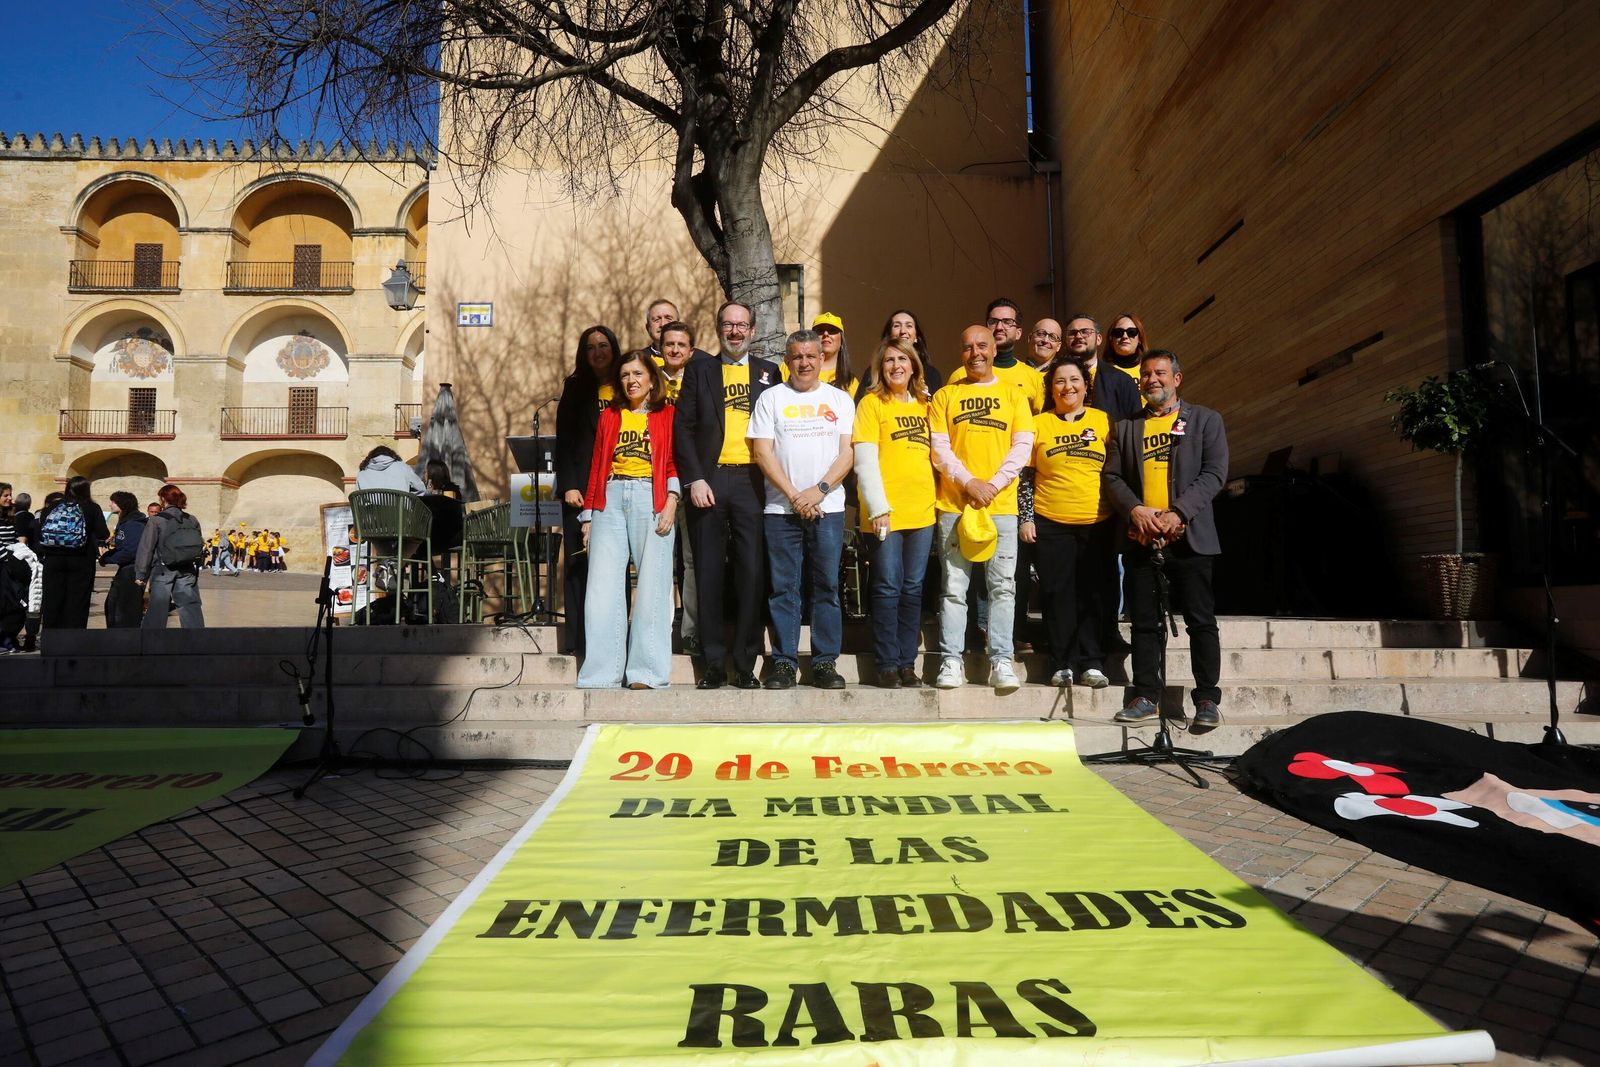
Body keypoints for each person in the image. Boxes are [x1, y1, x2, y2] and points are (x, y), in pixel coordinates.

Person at [1104, 349, 1229, 731]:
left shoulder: (1205, 420)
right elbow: (1112, 478)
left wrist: (1178, 513)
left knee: (1200, 622)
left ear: (1177, 378)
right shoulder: (1126, 428)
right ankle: (1146, 695)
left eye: (1160, 373)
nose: (1151, 379)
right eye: (1146, 374)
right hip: (1143, 538)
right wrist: (1137, 511)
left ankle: (1207, 699)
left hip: (1189, 539)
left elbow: (1214, 473)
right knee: (1144, 623)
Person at [673, 300, 781, 690]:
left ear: (752, 330)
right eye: (727, 325)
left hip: (754, 483)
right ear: (719, 329)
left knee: (752, 574)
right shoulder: (699, 370)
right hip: (711, 482)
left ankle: (747, 664)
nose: (734, 331)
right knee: (708, 574)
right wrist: (694, 479)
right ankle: (713, 664)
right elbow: (682, 430)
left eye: (742, 325)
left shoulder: (770, 373)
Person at [749, 329, 856, 690]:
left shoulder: (840, 399)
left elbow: (847, 453)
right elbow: (762, 452)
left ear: (821, 359)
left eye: (811, 356)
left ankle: (825, 663)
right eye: (797, 357)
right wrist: (795, 495)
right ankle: (783, 663)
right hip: (781, 510)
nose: (805, 363)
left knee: (826, 586)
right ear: (787, 360)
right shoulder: (771, 398)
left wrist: (819, 491)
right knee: (784, 589)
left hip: (829, 507)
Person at [930, 326, 1034, 693]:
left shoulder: (1013, 395)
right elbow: (940, 449)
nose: (975, 352)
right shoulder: (945, 396)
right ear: (961, 353)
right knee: (954, 588)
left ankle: (1002, 660)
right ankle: (951, 661)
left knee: (1003, 587)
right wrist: (969, 482)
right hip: (955, 505)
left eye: (982, 346)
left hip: (1001, 506)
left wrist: (993, 484)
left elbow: (1022, 447)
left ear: (994, 349)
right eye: (967, 347)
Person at [577, 350, 680, 689]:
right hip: (610, 499)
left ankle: (646, 673)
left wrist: (671, 502)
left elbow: (674, 463)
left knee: (652, 588)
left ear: (652, 379)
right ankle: (602, 672)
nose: (631, 380)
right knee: (601, 590)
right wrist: (589, 516)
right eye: (625, 375)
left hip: (651, 499)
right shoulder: (611, 415)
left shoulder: (667, 415)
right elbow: (597, 465)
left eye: (637, 374)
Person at [1019, 357, 1115, 688]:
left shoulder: (1104, 421)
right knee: (1057, 593)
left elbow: (1114, 472)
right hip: (1051, 521)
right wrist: (1027, 517)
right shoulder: (1039, 423)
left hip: (1096, 521)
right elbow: (1026, 476)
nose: (1067, 387)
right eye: (1059, 381)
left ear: (1086, 386)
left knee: (1093, 593)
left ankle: (1092, 661)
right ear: (1051, 388)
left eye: (1074, 380)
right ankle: (1062, 662)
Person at [853, 338, 936, 688]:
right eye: (889, 360)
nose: (896, 365)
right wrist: (877, 507)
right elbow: (865, 461)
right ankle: (886, 663)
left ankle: (907, 663)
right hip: (885, 512)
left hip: (923, 511)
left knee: (913, 588)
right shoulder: (872, 405)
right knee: (887, 587)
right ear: (880, 367)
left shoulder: (925, 405)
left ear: (914, 365)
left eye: (903, 359)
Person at [555, 325, 620, 656]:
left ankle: (614, 637)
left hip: (618, 487)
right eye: (591, 346)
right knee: (580, 563)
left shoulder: (626, 383)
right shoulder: (575, 387)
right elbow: (563, 439)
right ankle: (579, 640)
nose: (598, 351)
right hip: (579, 490)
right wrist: (567, 484)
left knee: (615, 564)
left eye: (604, 345)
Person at [659, 322, 699, 653]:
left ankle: (691, 632)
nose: (674, 349)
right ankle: (655, 631)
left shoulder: (701, 379)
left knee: (691, 561)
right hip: (656, 479)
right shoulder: (648, 379)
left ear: (691, 350)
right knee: (657, 560)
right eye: (669, 344)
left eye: (681, 344)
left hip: (691, 477)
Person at [948, 299, 1045, 415]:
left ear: (1018, 333)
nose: (999, 327)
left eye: (1007, 322)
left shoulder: (1033, 378)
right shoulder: (961, 375)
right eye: (993, 321)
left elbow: (1040, 422)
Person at [37, 475, 109, 631]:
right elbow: (103, 533)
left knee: (52, 600)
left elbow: (40, 532)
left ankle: (51, 639)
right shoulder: (91, 508)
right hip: (81, 560)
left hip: (53, 560)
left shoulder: (52, 507)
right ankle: (73, 640)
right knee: (78, 601)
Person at [136, 484, 206, 628]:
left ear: (163, 498)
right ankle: (197, 639)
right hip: (187, 568)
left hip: (163, 568)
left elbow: (146, 548)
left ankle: (152, 640)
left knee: (158, 607)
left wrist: (141, 574)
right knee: (190, 605)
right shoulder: (192, 519)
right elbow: (198, 543)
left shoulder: (157, 520)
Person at [1060, 314, 1142, 421]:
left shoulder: (1122, 380)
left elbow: (1135, 426)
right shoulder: (1054, 380)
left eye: (1085, 332)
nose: (1079, 336)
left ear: (1098, 339)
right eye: (1072, 333)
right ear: (1065, 341)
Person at [865, 309, 944, 395]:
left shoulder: (932, 375)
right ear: (889, 335)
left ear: (916, 337)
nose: (903, 331)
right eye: (897, 326)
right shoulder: (874, 372)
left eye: (909, 326)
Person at [100, 491, 148, 627]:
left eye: (113, 502)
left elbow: (131, 550)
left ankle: (125, 639)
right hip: (125, 569)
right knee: (112, 605)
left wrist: (108, 558)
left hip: (132, 570)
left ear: (122, 504)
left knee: (124, 609)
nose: (110, 505)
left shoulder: (134, 524)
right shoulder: (126, 522)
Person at [808, 313, 854, 389]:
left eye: (832, 330)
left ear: (842, 340)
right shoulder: (791, 369)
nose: (826, 334)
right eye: (820, 331)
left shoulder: (851, 383)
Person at [356, 445, 426, 494]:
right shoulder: (403, 467)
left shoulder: (362, 473)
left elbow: (358, 499)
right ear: (392, 455)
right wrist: (409, 498)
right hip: (401, 513)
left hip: (372, 514)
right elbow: (421, 489)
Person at [1105, 312, 1148, 380]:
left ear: (1140, 338)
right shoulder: (1102, 374)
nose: (1125, 336)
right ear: (1111, 339)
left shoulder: (1149, 370)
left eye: (1131, 332)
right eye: (1118, 332)